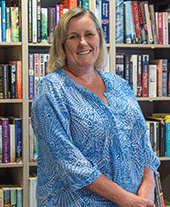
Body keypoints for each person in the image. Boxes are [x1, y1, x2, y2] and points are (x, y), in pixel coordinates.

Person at [31, 7, 160, 207]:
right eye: (73, 37)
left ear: (99, 37)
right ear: (62, 45)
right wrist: (124, 199)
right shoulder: (51, 90)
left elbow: (142, 139)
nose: (83, 42)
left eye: (89, 34)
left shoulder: (119, 84)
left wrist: (148, 185)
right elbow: (69, 162)